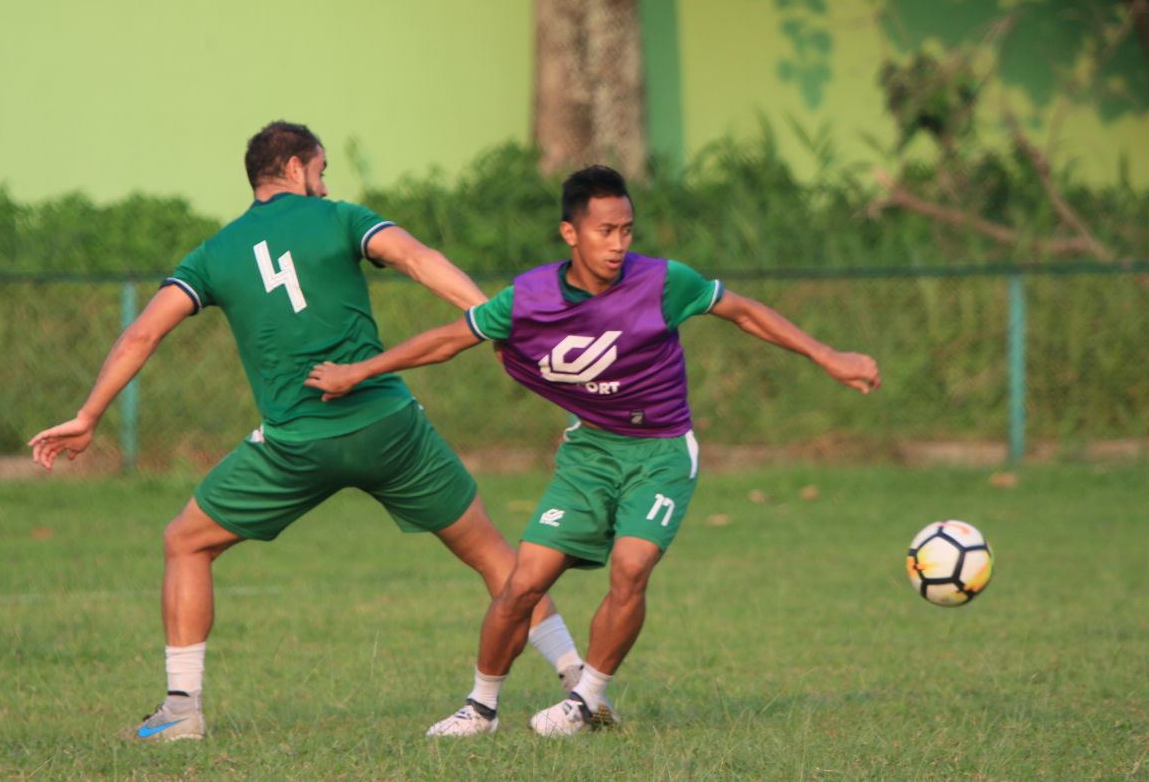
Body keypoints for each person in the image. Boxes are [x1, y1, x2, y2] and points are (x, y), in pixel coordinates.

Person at [27, 121, 597, 742]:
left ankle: (182, 711)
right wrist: (490, 322)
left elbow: (143, 333)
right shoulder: (343, 219)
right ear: (296, 168)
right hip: (390, 429)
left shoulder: (214, 253)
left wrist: (88, 415)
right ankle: (578, 684)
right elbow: (417, 259)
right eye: (321, 172)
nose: (325, 187)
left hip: (298, 444)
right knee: (495, 557)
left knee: (186, 542)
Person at [306, 164, 882, 737]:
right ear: (570, 233)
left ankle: (587, 700)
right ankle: (480, 708)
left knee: (631, 568)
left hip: (659, 451)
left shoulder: (663, 282)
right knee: (524, 581)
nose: (618, 243)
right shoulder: (530, 297)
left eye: (627, 229)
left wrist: (828, 356)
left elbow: (745, 311)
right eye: (605, 230)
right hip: (589, 452)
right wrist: (359, 371)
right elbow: (449, 339)